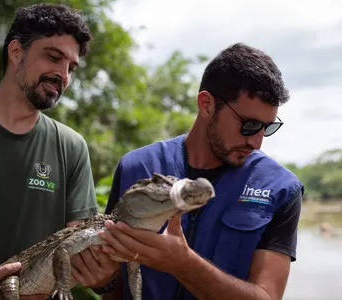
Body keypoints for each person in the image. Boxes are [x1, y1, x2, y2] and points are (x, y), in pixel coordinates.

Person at [100, 43, 304, 300]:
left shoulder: (282, 189)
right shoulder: (135, 166)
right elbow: (113, 279)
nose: (256, 142)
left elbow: (267, 296)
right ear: (206, 104)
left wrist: (184, 265)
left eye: (267, 127)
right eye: (249, 125)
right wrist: (104, 282)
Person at [0, 4, 118, 300]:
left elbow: (79, 251)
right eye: (53, 57)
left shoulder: (71, 147)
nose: (62, 75)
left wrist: (107, 273)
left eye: (71, 68)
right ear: (16, 52)